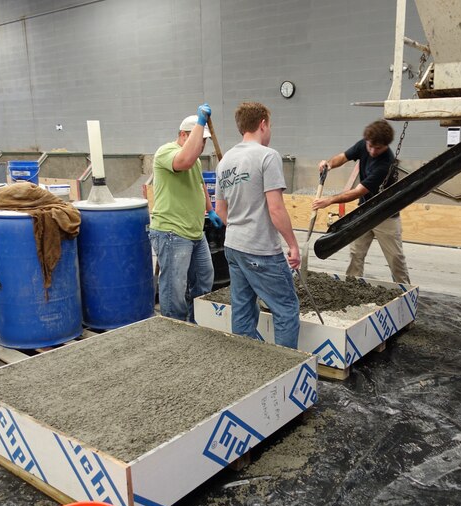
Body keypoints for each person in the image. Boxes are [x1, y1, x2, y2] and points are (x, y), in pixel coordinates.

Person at [214, 102, 301, 349]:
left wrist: (241, 228)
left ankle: (249, 366)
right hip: (261, 250)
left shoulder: (225, 161)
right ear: (263, 124)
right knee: (285, 308)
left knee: (242, 311)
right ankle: (284, 369)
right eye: (269, 125)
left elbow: (221, 211)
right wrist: (293, 245)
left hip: (233, 246)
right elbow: (276, 208)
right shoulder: (267, 156)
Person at [149, 103, 224, 322]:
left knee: (204, 278)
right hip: (172, 232)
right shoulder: (166, 152)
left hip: (194, 231)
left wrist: (211, 211)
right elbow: (184, 161)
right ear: (184, 135)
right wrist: (201, 122)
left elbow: (200, 186)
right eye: (200, 140)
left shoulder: (197, 162)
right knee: (175, 287)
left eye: (205, 141)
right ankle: (174, 329)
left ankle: (193, 322)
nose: (202, 146)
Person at [312, 120, 410, 284]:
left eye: (377, 148)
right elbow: (343, 157)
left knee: (395, 260)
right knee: (356, 254)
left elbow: (358, 192)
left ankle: (406, 291)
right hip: (364, 211)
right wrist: (328, 165)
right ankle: (352, 288)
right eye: (370, 146)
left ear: (386, 146)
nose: (372, 151)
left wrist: (329, 200)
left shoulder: (386, 164)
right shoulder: (363, 145)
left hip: (385, 215)